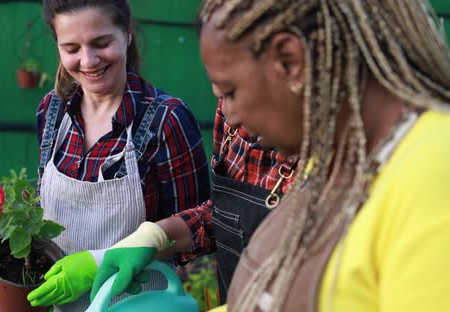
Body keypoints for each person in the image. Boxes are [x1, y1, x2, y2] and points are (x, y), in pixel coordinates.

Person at [192, 0, 450, 311]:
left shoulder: (433, 171)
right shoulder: (330, 159)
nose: (229, 116)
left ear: (289, 59)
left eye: (231, 92)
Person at [18, 0, 210, 310]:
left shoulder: (165, 120)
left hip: (138, 303)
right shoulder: (52, 111)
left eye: (101, 43)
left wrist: (99, 262)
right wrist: (15, 273)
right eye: (71, 48)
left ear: (127, 34)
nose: (88, 60)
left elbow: (195, 229)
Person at [84, 96, 298, 306]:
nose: (229, 117)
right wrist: (156, 235)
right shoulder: (230, 117)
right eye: (222, 95)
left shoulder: (320, 152)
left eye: (233, 91)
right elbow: (229, 214)